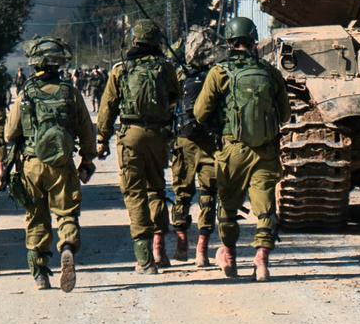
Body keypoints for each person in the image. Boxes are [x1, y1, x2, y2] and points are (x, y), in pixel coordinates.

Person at [194, 17, 290, 282]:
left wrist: (220, 124)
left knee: (227, 207)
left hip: (233, 149)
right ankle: (261, 261)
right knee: (265, 208)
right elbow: (285, 114)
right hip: (265, 152)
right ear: (253, 41)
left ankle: (230, 257)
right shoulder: (270, 72)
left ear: (229, 42)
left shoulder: (219, 72)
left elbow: (200, 112)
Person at [4, 37, 97, 291]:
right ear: (59, 63)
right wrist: (87, 160)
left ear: (34, 63)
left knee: (36, 217)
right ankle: (67, 246)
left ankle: (40, 274)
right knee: (66, 212)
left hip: (32, 165)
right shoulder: (70, 92)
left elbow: (10, 134)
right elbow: (87, 132)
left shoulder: (26, 93)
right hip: (62, 164)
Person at [96, 20, 181, 274]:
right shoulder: (166, 68)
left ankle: (144, 260)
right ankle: (159, 249)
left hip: (130, 136)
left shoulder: (121, 69)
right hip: (158, 136)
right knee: (156, 189)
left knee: (135, 194)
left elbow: (107, 107)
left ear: (134, 40)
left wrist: (102, 138)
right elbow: (175, 98)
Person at [170, 27, 222, 266]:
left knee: (181, 194)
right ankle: (202, 249)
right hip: (210, 142)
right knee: (209, 195)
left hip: (184, 140)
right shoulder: (219, 74)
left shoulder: (180, 76)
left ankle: (182, 243)